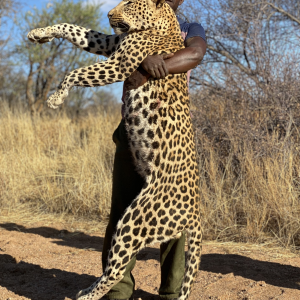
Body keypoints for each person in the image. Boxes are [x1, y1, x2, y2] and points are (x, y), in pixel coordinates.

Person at [102, 0, 207, 299]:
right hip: (132, 126)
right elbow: (112, 51)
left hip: (172, 133)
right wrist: (140, 57)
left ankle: (172, 293)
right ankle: (116, 290)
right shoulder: (132, 25)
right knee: (122, 211)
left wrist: (149, 67)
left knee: (176, 212)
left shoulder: (189, 28)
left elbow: (195, 53)